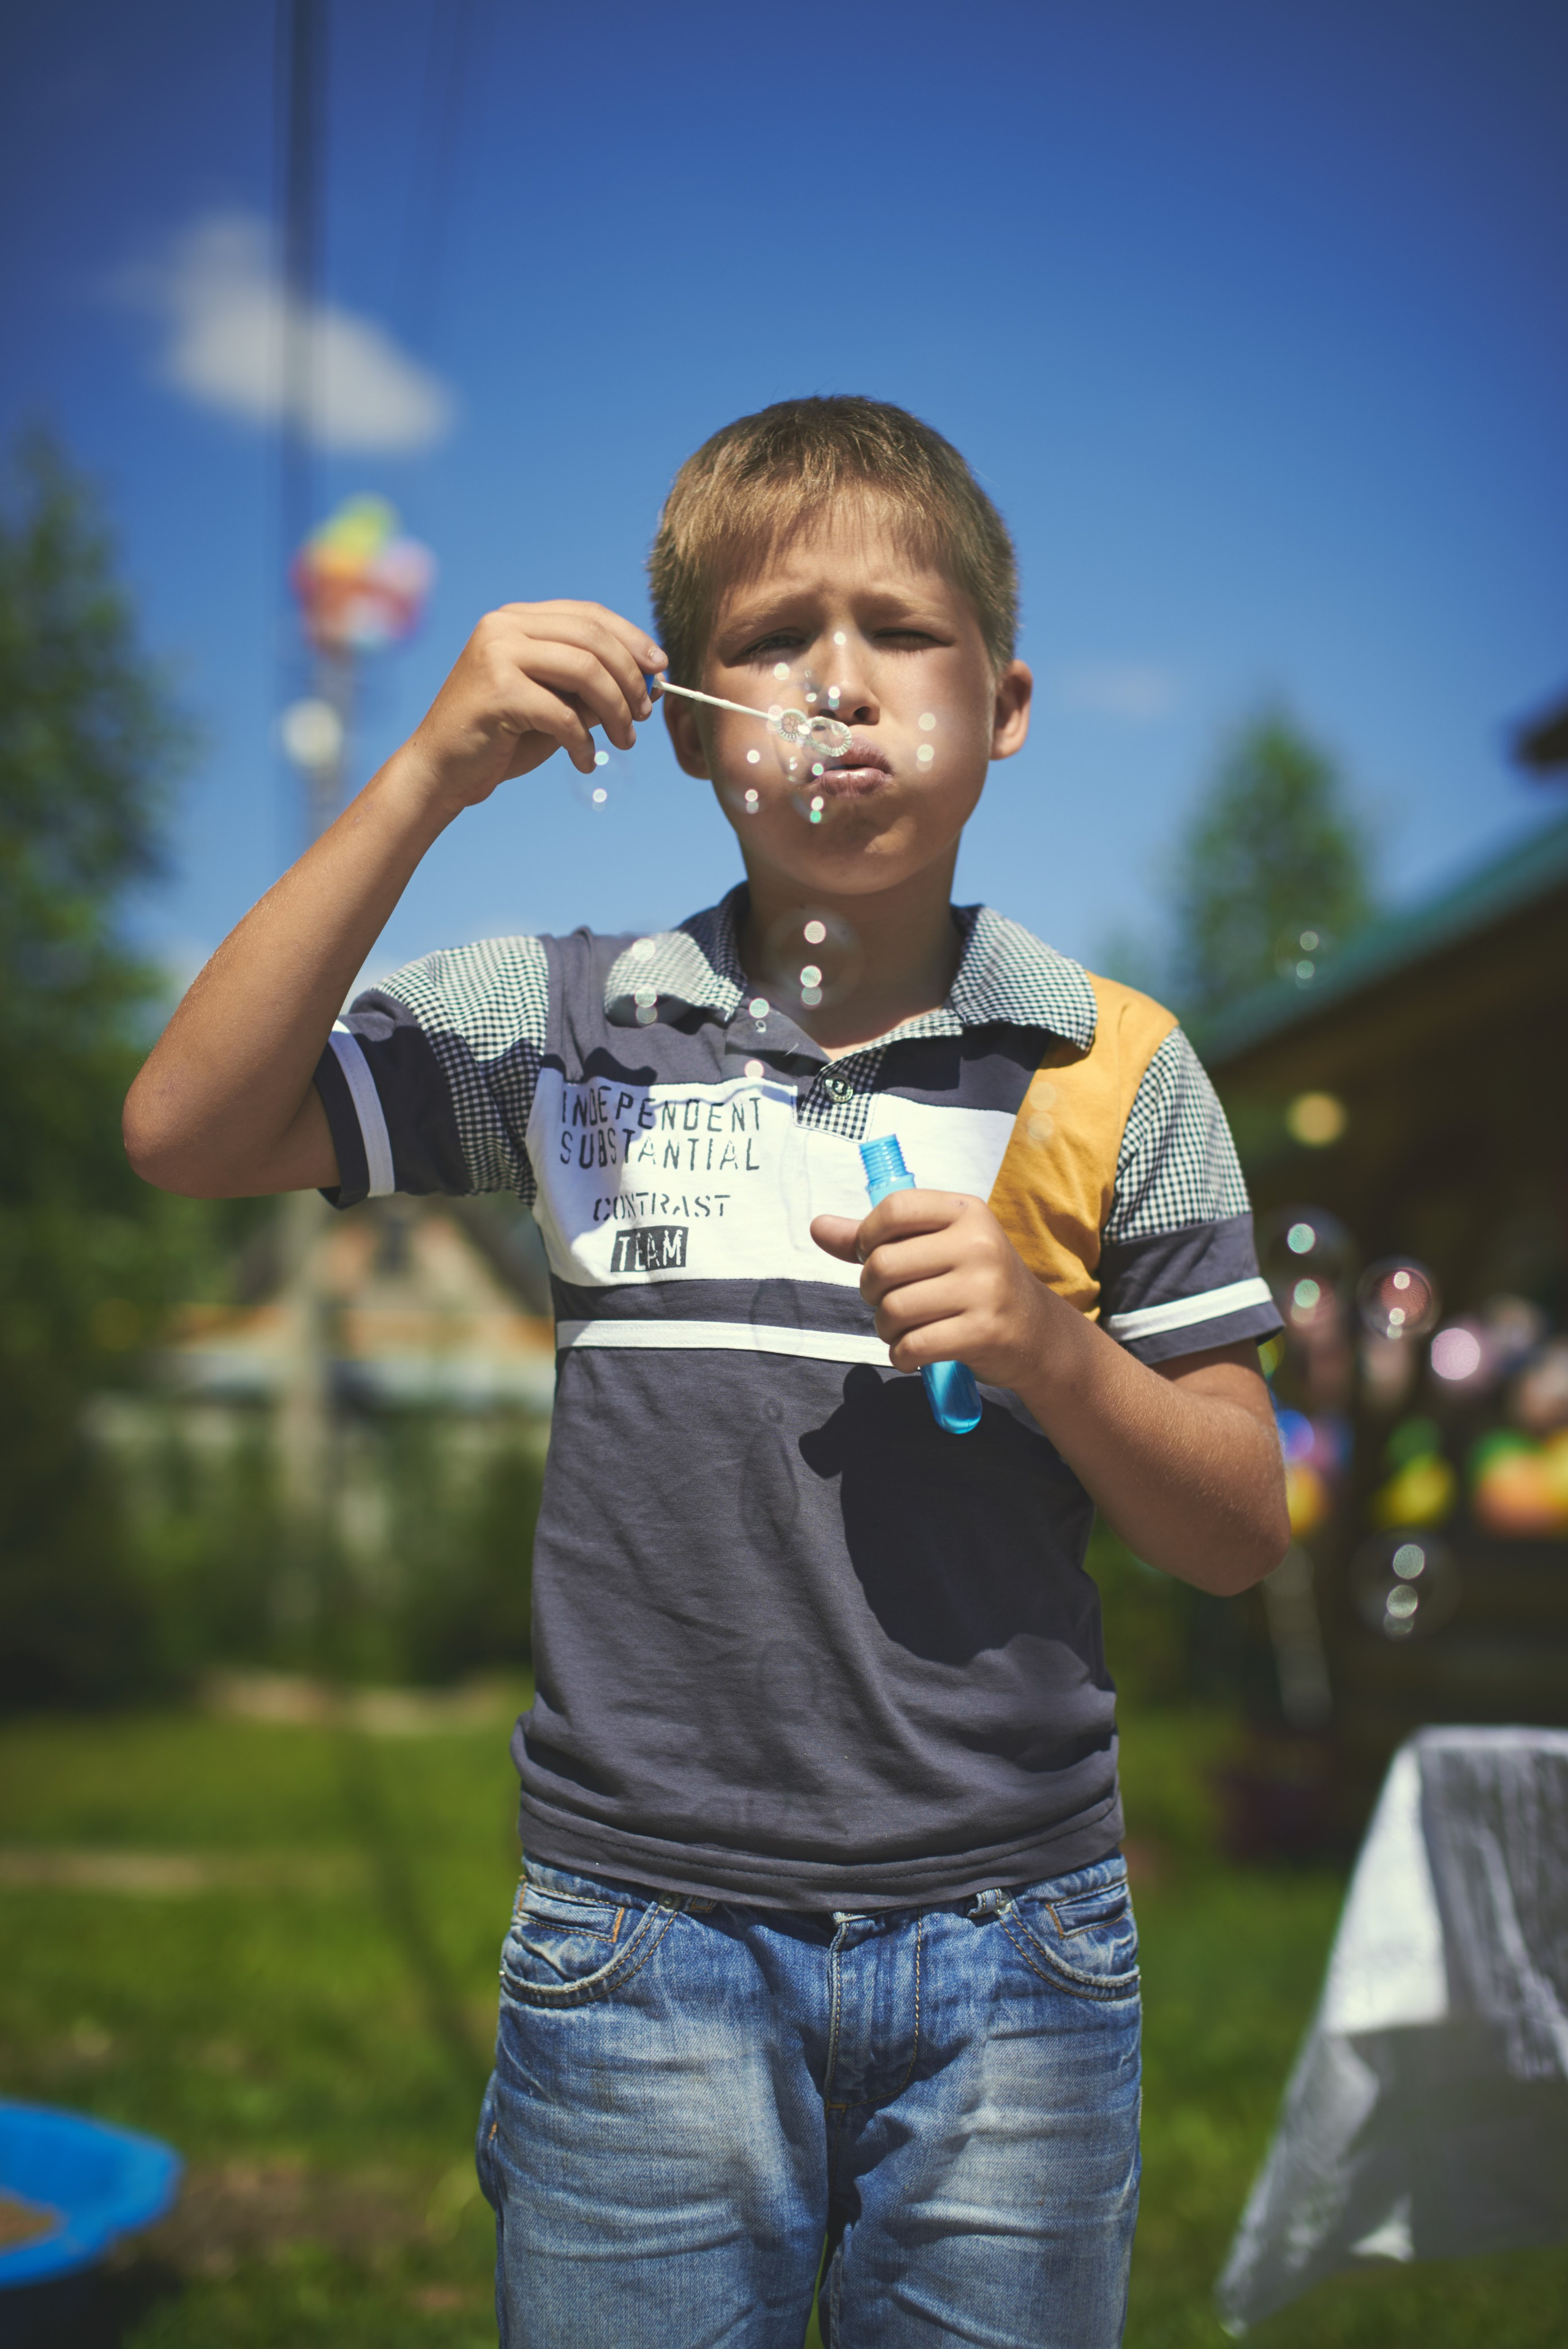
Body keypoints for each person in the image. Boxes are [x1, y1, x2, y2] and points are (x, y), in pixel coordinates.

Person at [126, 396, 1289, 2348]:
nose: (839, 681)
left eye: (901, 630)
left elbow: (1243, 1526)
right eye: (771, 636)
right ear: (684, 717)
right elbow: (187, 1126)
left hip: (1018, 1956)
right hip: (637, 1942)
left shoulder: (1114, 1062)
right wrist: (426, 772)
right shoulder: (573, 1026)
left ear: (1002, 705)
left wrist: (1055, 1355)